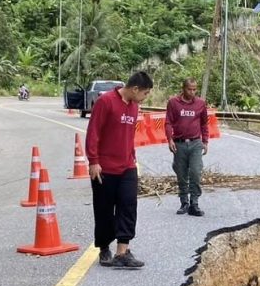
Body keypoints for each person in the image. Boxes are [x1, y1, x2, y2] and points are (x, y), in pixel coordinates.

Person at [86, 72, 153, 269]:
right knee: (104, 209)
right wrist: (93, 161)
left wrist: (132, 156)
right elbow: (93, 132)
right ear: (135, 89)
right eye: (145, 93)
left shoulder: (134, 106)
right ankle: (104, 248)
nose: (145, 97)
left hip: (127, 166)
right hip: (104, 167)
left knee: (128, 205)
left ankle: (122, 251)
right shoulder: (105, 102)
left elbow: (129, 135)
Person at [164, 78, 209, 216]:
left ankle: (194, 203)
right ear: (183, 88)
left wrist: (205, 141)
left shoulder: (200, 103)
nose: (192, 92)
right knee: (181, 174)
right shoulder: (173, 103)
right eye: (189, 89)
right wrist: (170, 139)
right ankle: (184, 202)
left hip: (195, 143)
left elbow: (204, 123)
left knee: (195, 172)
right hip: (179, 143)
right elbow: (168, 122)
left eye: (194, 89)